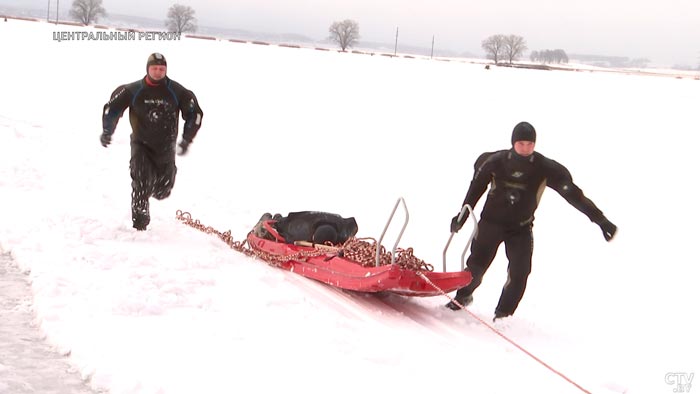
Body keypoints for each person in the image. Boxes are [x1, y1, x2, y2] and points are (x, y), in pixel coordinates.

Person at [446, 121, 617, 320]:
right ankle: (462, 297)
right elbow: (475, 190)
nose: (526, 148)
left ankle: (503, 315)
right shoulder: (495, 162)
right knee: (476, 268)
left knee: (520, 273)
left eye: (530, 144)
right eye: (521, 143)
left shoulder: (544, 168)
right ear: (513, 143)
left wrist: (601, 220)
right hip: (490, 224)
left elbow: (574, 196)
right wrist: (462, 216)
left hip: (520, 228)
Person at [101, 53, 203, 230]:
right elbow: (112, 109)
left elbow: (196, 114)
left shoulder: (177, 91)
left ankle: (154, 189)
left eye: (161, 69)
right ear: (148, 69)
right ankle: (140, 225)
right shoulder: (134, 90)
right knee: (141, 181)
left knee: (163, 191)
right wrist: (107, 131)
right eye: (154, 68)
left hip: (166, 147)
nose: (158, 72)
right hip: (141, 144)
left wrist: (186, 139)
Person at [254, 211, 358, 245]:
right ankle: (270, 220)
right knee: (279, 224)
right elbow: (288, 237)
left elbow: (352, 225)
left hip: (314, 219)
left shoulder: (343, 229)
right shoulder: (302, 229)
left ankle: (278, 218)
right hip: (296, 220)